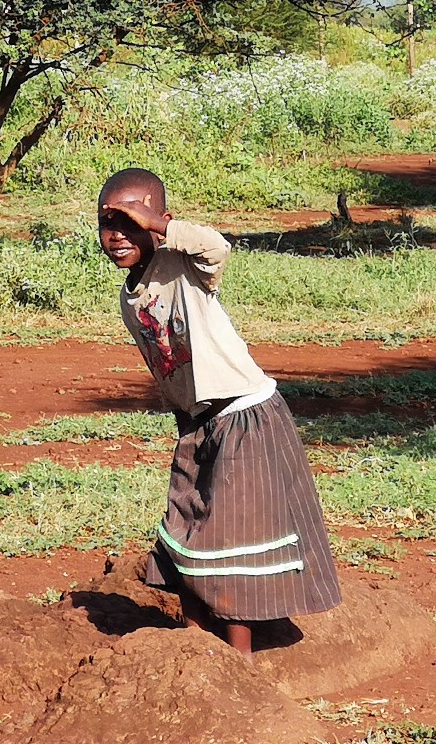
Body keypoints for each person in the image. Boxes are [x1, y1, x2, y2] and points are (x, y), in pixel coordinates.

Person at [97, 167, 342, 656]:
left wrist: (160, 226)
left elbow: (217, 247)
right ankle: (196, 651)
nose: (119, 235)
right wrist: (184, 419)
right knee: (185, 524)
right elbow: (168, 366)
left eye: (132, 221)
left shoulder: (184, 265)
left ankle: (238, 662)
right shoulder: (130, 296)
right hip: (199, 422)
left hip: (245, 417)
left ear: (160, 222)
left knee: (231, 534)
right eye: (108, 223)